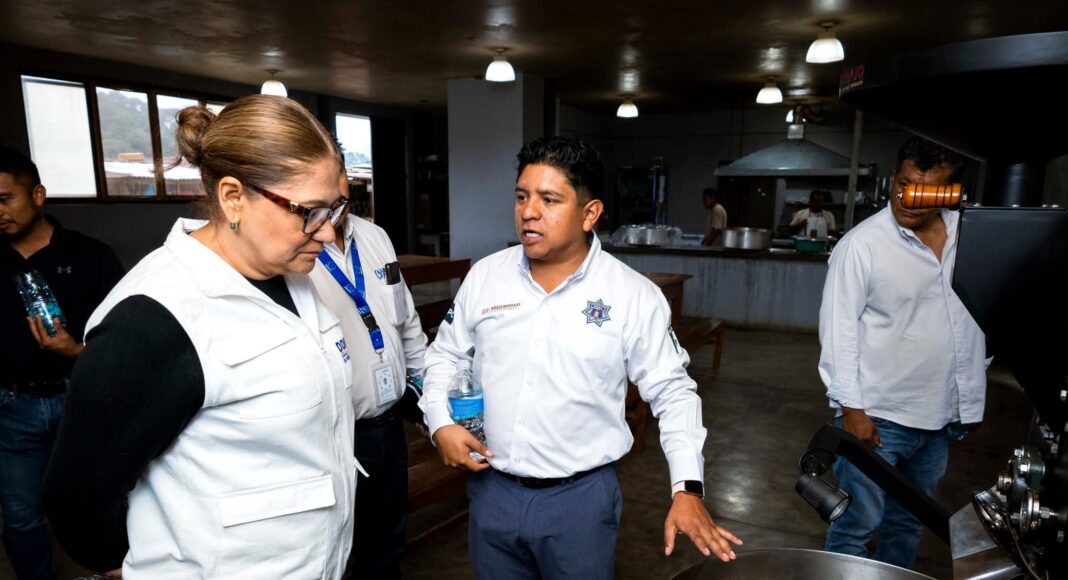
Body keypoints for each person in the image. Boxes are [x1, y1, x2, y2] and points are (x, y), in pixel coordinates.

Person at [41, 95, 358, 579]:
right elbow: (77, 495)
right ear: (233, 197)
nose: (329, 233)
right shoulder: (153, 318)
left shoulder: (294, 277)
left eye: (334, 209)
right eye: (310, 212)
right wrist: (133, 565)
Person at [419, 136, 742, 579]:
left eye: (549, 199)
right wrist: (440, 422)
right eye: (521, 196)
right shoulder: (486, 277)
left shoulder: (632, 296)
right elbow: (446, 356)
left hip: (579, 504)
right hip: (490, 490)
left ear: (590, 213)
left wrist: (687, 488)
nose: (529, 212)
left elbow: (673, 393)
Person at [818, 137, 987, 568]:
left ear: (949, 193)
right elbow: (838, 331)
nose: (908, 198)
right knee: (855, 524)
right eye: (904, 183)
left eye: (925, 189)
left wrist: (969, 393)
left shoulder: (972, 237)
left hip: (938, 419)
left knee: (908, 522)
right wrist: (851, 409)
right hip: (877, 416)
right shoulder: (862, 246)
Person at [0, 146, 124, 580]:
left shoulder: (93, 256)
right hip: (11, 409)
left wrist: (75, 352)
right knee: (20, 517)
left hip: (84, 403)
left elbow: (128, 347)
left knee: (107, 503)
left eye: (3, 199)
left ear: (37, 195)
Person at [309, 170, 428, 579]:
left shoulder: (375, 236)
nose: (336, 212)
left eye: (338, 180)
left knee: (389, 546)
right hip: (335, 434)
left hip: (390, 428)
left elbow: (406, 321)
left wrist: (426, 394)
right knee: (335, 553)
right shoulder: (296, 249)